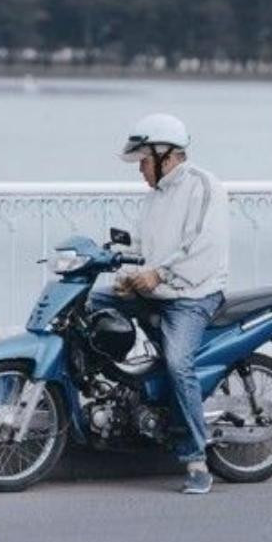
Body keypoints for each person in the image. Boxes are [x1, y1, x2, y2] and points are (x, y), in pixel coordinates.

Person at [88, 113, 229, 494]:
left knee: (178, 362)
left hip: (192, 296)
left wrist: (159, 275)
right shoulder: (155, 198)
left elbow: (199, 246)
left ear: (166, 155)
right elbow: (146, 248)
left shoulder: (205, 187)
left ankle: (196, 458)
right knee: (86, 305)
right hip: (155, 291)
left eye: (144, 162)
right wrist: (127, 271)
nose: (141, 171)